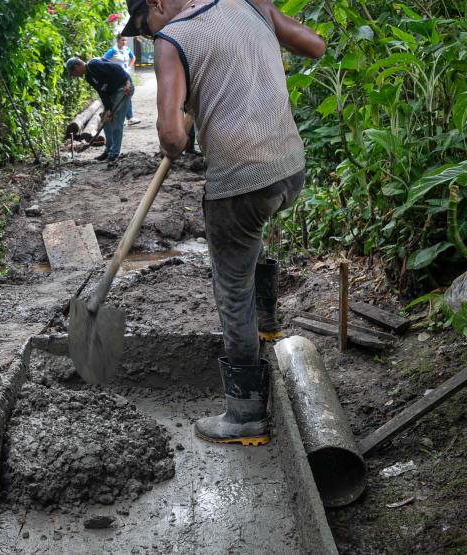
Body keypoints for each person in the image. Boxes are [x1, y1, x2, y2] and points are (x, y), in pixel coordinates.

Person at [121, 0, 324, 446]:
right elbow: (315, 45)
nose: (153, 33)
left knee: (231, 285)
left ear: (155, 5)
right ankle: (267, 320)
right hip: (290, 168)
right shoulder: (248, 2)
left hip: (242, 180)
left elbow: (172, 137)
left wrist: (181, 133)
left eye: (147, 25)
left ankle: (246, 413)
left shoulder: (172, 40)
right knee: (252, 233)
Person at [65, 56, 134, 166]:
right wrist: (108, 110)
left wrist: (128, 82)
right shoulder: (88, 77)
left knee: (116, 121)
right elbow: (102, 93)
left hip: (123, 88)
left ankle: (114, 153)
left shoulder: (94, 65)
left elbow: (117, 68)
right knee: (105, 121)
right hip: (112, 93)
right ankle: (108, 151)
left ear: (77, 66)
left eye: (73, 72)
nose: (74, 76)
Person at [103, 35, 141, 125]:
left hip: (126, 75)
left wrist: (129, 66)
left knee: (128, 94)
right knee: (119, 96)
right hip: (116, 77)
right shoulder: (113, 50)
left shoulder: (127, 49)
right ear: (117, 40)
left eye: (125, 40)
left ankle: (130, 117)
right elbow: (103, 59)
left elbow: (133, 57)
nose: (124, 42)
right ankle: (121, 117)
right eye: (122, 40)